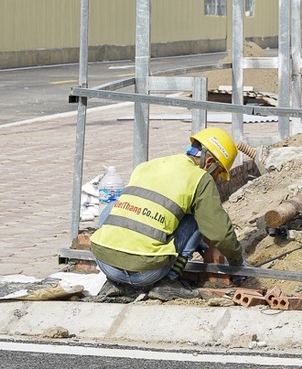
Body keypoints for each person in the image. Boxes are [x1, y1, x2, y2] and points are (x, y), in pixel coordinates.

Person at [89, 127, 245, 301]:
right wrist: (237, 262)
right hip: (147, 274)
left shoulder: (148, 165)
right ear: (209, 163)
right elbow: (220, 234)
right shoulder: (200, 178)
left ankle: (116, 283)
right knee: (198, 216)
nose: (215, 179)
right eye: (218, 174)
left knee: (114, 206)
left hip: (106, 265)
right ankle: (169, 283)